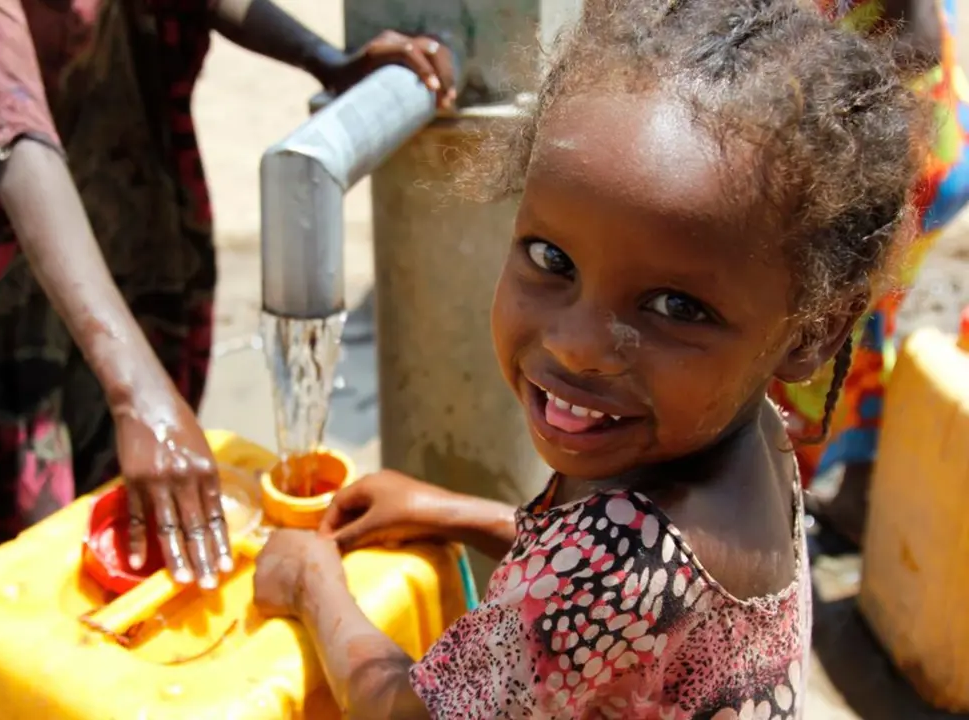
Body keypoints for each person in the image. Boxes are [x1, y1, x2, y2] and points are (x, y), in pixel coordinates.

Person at [251, 0, 924, 716]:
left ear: (809, 333)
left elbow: (411, 712)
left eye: (676, 307)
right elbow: (624, 582)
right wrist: (455, 512)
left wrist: (312, 585)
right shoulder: (741, 426)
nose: (576, 344)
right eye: (552, 259)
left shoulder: (612, 564)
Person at [0, 0, 455, 716]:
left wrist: (323, 57)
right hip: (7, 270)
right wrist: (138, 392)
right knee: (15, 551)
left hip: (132, 215)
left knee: (145, 516)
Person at [772, 0, 969, 546]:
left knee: (813, 333)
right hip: (914, 146)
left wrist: (797, 80)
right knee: (859, 322)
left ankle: (781, 500)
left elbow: (922, 39)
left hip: (903, 162)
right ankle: (853, 493)